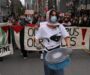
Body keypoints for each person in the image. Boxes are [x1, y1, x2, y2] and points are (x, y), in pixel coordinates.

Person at [35, 9, 70, 75]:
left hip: (58, 53)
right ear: (48, 16)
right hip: (47, 54)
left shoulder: (60, 26)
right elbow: (36, 37)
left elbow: (66, 36)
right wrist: (37, 44)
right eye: (52, 15)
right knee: (48, 73)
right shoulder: (43, 28)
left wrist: (68, 46)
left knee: (59, 72)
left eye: (55, 15)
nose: (54, 17)